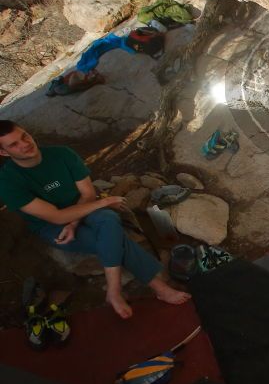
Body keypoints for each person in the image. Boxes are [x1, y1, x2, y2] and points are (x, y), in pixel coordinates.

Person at [0, 120, 190, 318]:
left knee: (108, 220)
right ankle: (157, 288)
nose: (25, 144)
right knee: (113, 235)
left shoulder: (61, 154)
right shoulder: (8, 182)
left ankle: (113, 291)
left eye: (24, 136)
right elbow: (56, 217)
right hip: (52, 227)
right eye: (13, 144)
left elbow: (88, 193)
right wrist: (103, 203)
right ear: (4, 152)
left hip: (84, 205)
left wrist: (75, 222)